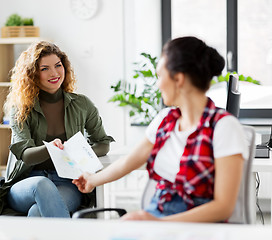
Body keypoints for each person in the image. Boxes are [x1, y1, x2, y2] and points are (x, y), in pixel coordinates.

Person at [73, 36, 247, 222]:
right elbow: (128, 162)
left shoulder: (224, 127)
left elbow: (223, 208)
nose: (157, 84)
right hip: (157, 213)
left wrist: (157, 224)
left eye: (159, 76)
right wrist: (92, 180)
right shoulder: (165, 121)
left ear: (178, 79)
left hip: (197, 226)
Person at [0, 41, 113, 217]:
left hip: (66, 183)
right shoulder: (20, 109)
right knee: (42, 184)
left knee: (37, 213)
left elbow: (103, 143)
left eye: (58, 65)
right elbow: (25, 154)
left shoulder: (82, 104)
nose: (54, 73)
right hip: (26, 183)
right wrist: (51, 148)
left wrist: (76, 152)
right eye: (45, 69)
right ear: (32, 74)